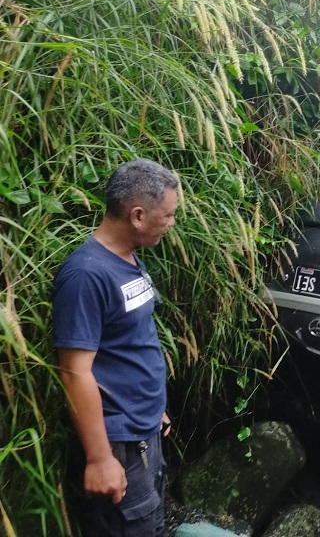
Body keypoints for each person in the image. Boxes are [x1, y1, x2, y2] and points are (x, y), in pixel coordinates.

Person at [53, 159, 179, 537]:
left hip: (145, 426)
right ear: (137, 215)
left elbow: (132, 339)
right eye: (168, 215)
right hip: (118, 444)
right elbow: (75, 371)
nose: (171, 223)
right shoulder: (86, 275)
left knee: (152, 519)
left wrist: (154, 406)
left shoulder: (127, 258)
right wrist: (99, 458)